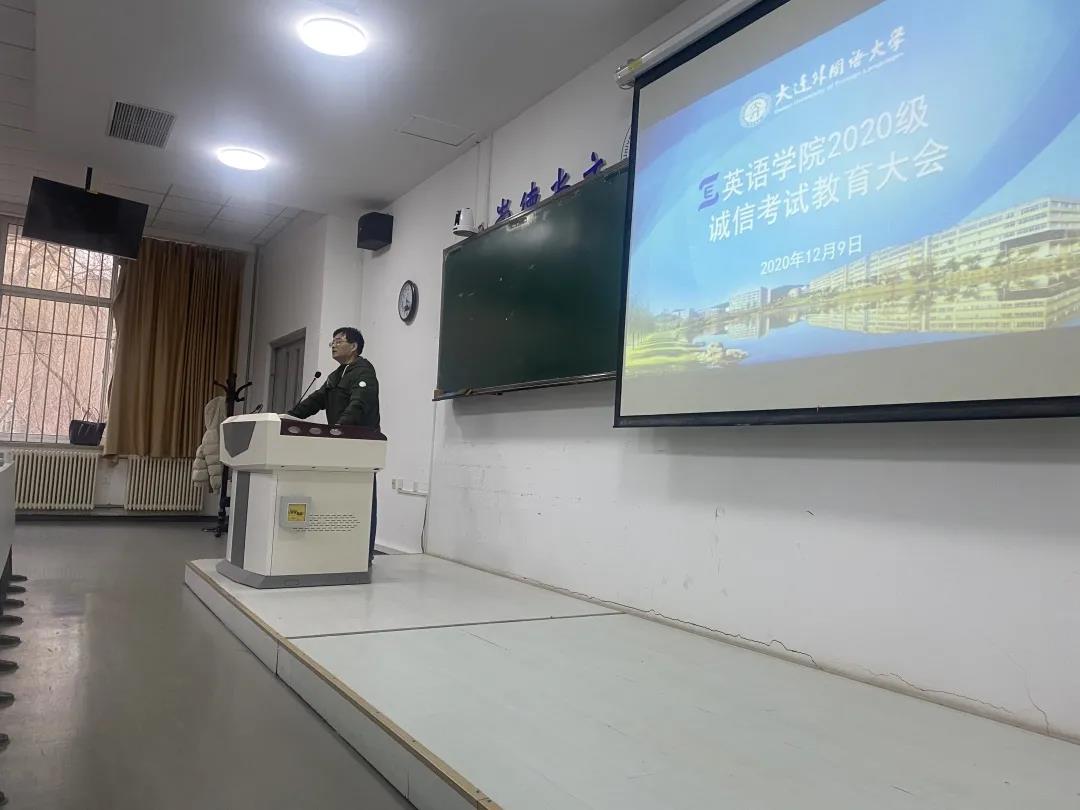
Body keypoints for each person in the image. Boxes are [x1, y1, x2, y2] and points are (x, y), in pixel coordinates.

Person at [287, 326, 381, 564]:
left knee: (361, 499)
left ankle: (363, 554)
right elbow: (315, 401)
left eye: (339, 341)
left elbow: (358, 405)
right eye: (332, 342)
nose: (333, 345)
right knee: (338, 495)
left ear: (354, 346)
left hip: (359, 445)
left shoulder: (364, 372)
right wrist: (287, 418)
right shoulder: (335, 375)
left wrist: (338, 429)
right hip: (340, 443)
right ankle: (338, 549)